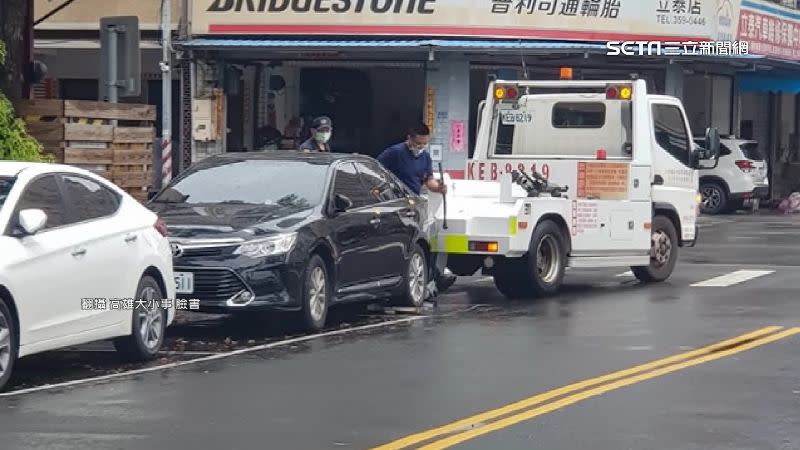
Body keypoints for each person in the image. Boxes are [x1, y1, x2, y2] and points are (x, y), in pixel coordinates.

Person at [377, 123, 457, 294]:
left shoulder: (425, 157)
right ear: (409, 139)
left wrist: (438, 187)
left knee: (422, 240)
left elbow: (428, 180)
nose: (420, 147)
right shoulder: (395, 153)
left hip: (414, 204)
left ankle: (430, 277)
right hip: (396, 204)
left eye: (424, 144)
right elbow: (377, 171)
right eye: (418, 143)